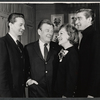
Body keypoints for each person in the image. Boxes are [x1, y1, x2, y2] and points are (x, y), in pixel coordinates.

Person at [25, 19, 60, 97]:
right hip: (36, 92)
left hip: (54, 92)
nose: (50, 33)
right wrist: (28, 80)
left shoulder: (57, 48)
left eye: (51, 31)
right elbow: (24, 68)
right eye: (47, 30)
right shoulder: (29, 48)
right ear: (39, 32)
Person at [75, 8, 100, 98]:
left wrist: (91, 93)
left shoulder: (95, 37)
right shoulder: (84, 36)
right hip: (83, 89)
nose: (76, 22)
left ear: (89, 19)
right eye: (76, 19)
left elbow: (97, 67)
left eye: (79, 18)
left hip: (90, 92)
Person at [0, 13, 25, 97]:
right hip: (8, 94)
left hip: (19, 93)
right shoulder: (2, 43)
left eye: (24, 25)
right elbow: (2, 73)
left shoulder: (20, 46)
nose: (23, 28)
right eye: (20, 25)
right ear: (10, 24)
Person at [53, 23, 79, 98]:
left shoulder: (73, 54)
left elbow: (72, 78)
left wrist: (67, 95)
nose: (58, 36)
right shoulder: (63, 51)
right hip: (58, 93)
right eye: (58, 34)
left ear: (70, 35)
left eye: (61, 33)